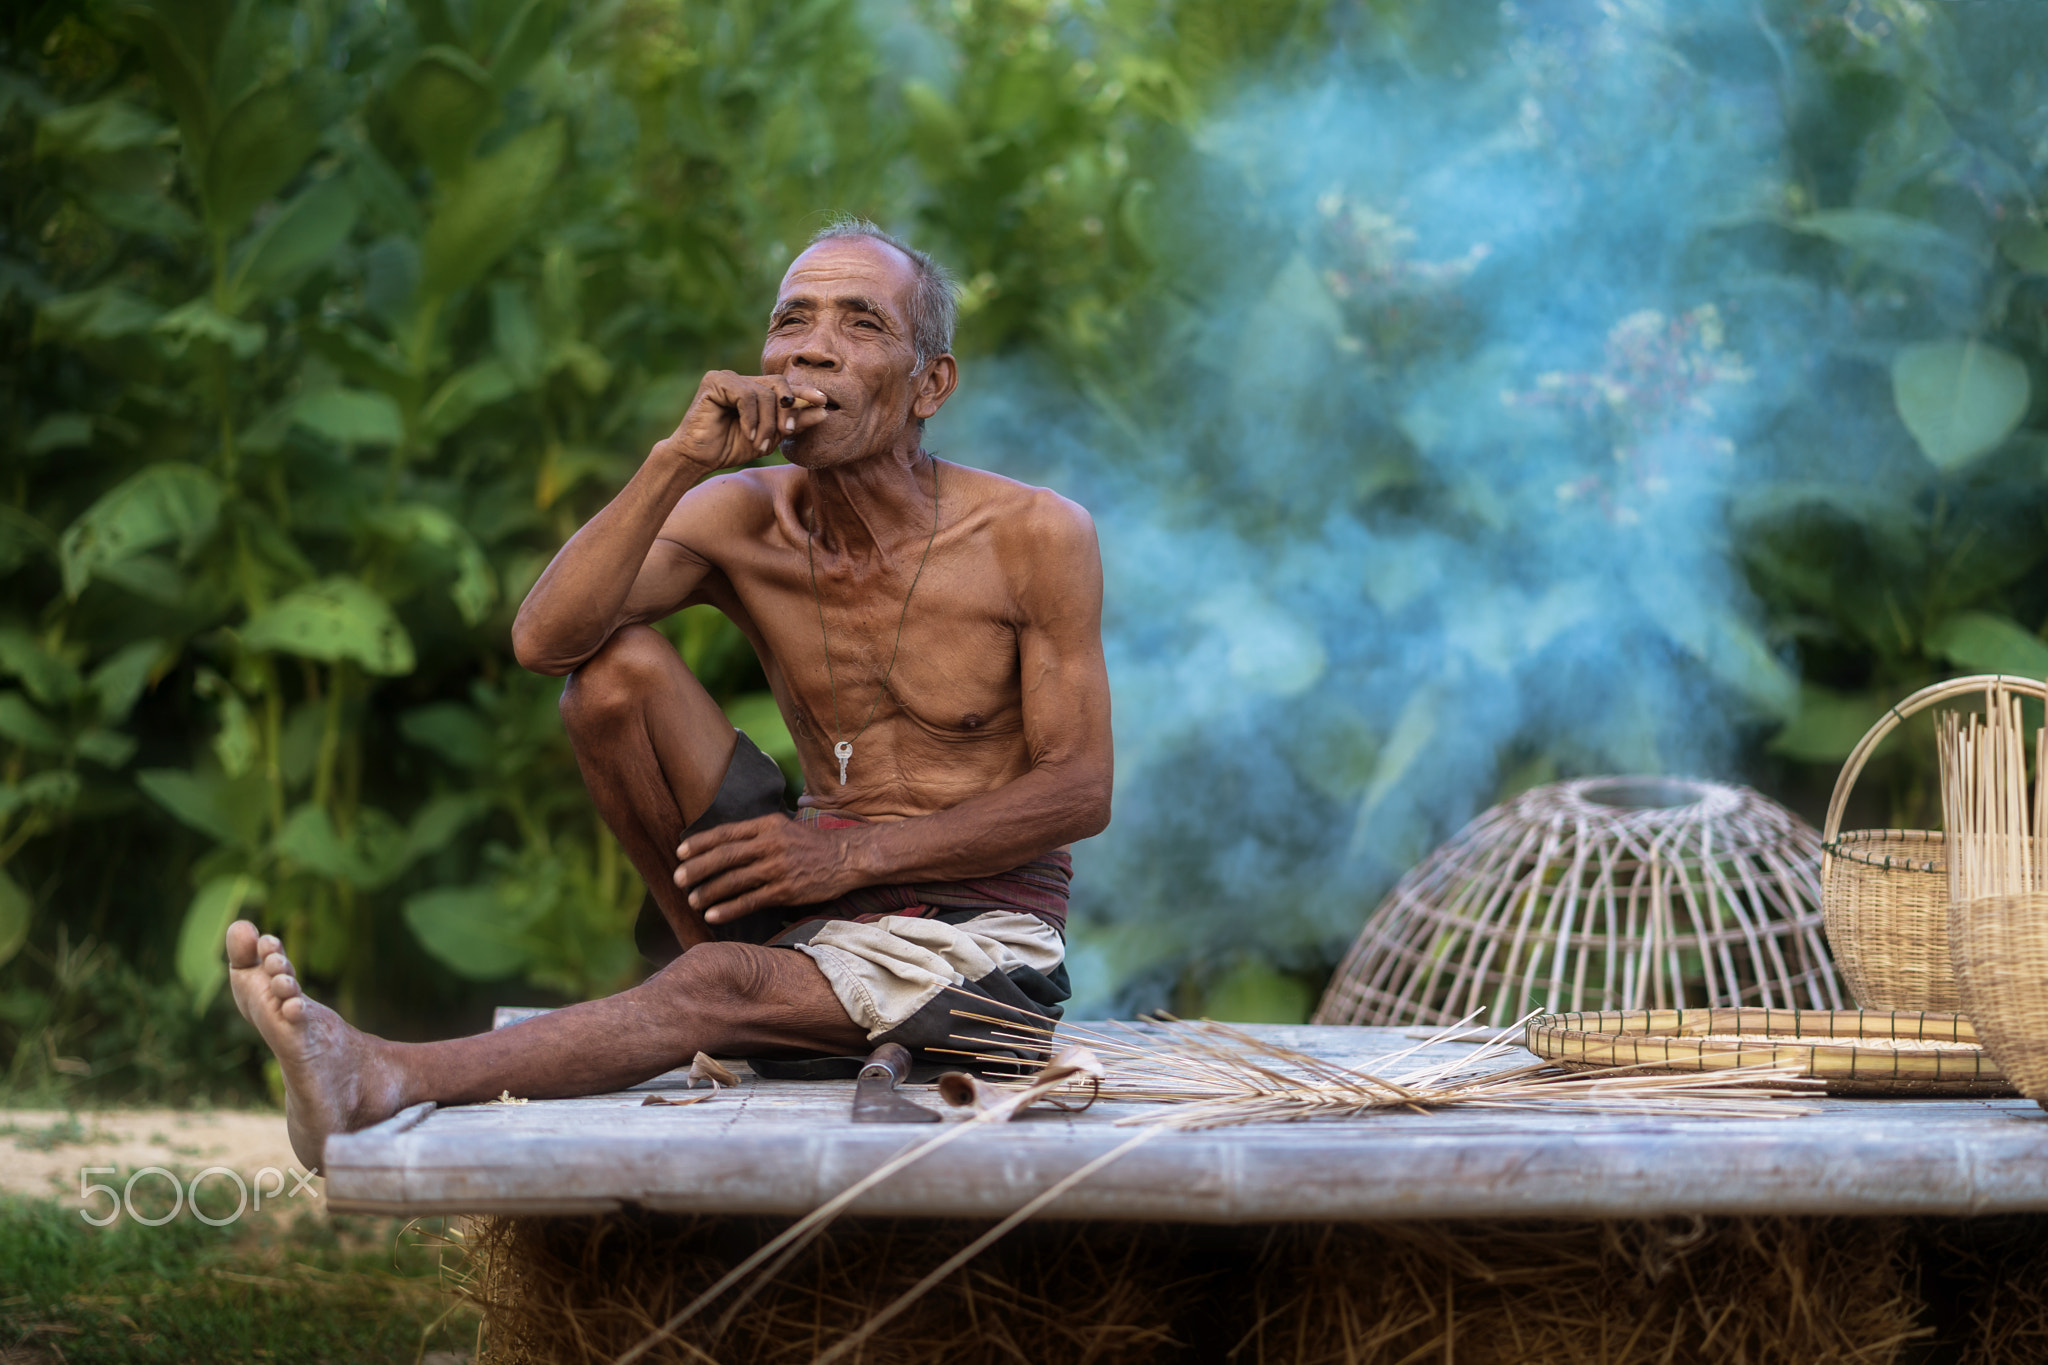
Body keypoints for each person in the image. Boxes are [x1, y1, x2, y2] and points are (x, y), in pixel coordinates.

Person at [225, 219, 1113, 1170]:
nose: (812, 345)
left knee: (726, 976)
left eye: (861, 323)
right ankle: (733, 993)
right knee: (610, 679)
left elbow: (1079, 791)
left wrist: (845, 858)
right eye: (792, 320)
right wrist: (677, 462)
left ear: (929, 383)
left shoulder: (1033, 535)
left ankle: (381, 1073)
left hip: (977, 946)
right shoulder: (743, 517)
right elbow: (544, 640)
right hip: (812, 904)